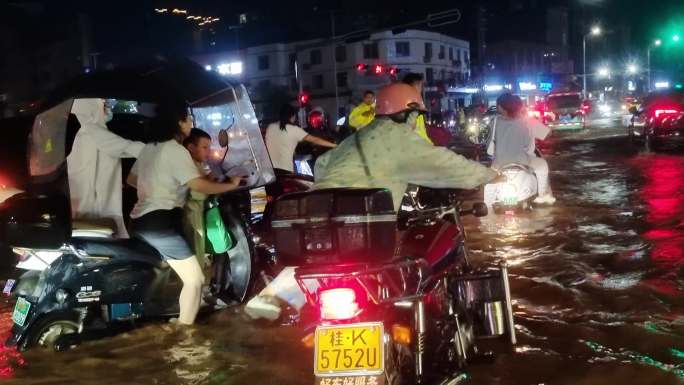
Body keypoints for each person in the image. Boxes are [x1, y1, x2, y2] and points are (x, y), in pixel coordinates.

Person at [244, 83, 498, 320]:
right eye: (416, 115)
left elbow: (322, 164)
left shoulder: (356, 137)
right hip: (363, 227)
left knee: (321, 262)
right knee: (409, 271)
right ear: (407, 113)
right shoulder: (401, 139)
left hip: (319, 214)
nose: (416, 120)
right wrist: (490, 175)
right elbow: (447, 165)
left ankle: (279, 297)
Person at [127, 103, 243, 326]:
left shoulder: (149, 148)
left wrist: (156, 188)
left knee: (174, 275)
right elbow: (200, 186)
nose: (191, 123)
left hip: (141, 219)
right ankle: (185, 333)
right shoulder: (175, 150)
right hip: (161, 222)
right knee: (196, 279)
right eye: (188, 119)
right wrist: (231, 185)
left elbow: (131, 180)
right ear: (178, 123)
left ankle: (173, 319)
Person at [67, 98, 145, 238]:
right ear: (92, 108)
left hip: (91, 212)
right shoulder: (90, 131)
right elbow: (120, 147)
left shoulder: (85, 132)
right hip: (95, 213)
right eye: (103, 104)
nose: (107, 107)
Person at [487, 93, 555, 204]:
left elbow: (484, 141)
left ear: (500, 107)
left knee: (488, 184)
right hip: (523, 162)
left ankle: (489, 203)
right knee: (542, 165)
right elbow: (547, 134)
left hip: (498, 165)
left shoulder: (493, 122)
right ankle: (543, 196)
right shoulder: (528, 121)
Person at [265, 104, 336, 172]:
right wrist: (336, 146)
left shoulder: (270, 127)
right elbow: (315, 140)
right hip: (287, 171)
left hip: (271, 170)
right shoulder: (293, 129)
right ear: (292, 116)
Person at [402, 73, 433, 145]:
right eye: (420, 85)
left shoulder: (416, 102)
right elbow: (411, 130)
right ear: (415, 85)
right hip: (417, 146)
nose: (421, 89)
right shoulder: (411, 105)